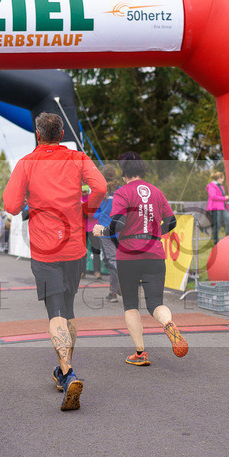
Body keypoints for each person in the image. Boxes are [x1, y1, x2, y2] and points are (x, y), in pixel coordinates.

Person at [3, 112, 106, 411]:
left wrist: (32, 201)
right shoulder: (78, 158)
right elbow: (99, 187)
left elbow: (10, 205)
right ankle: (63, 372)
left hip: (46, 247)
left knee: (56, 311)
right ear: (61, 134)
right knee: (69, 309)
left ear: (38, 134)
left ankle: (69, 371)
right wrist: (87, 208)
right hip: (74, 247)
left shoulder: (26, 163)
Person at [95, 152, 188, 366]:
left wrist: (102, 231)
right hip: (154, 252)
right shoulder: (156, 192)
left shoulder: (122, 192)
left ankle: (140, 353)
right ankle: (168, 324)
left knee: (130, 305)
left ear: (123, 171)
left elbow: (118, 223)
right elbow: (172, 222)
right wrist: (155, 231)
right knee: (155, 303)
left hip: (129, 254)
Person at [93, 163, 121, 303]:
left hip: (105, 231)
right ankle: (113, 292)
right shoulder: (121, 190)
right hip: (119, 229)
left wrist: (99, 215)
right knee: (114, 260)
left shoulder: (102, 192)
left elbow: (95, 213)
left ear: (102, 176)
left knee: (110, 261)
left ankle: (122, 281)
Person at [82, 186, 103, 279]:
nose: (84, 193)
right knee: (82, 251)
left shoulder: (93, 199)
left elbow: (99, 212)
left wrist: (91, 214)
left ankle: (97, 271)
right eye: (82, 191)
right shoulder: (77, 198)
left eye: (86, 191)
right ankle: (81, 272)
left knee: (96, 250)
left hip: (93, 228)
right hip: (82, 228)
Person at [206, 171, 229, 244]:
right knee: (217, 225)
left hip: (222, 208)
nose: (223, 180)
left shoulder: (222, 187)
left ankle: (227, 239)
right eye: (223, 178)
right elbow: (213, 196)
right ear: (219, 178)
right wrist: (224, 198)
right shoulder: (211, 186)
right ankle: (216, 242)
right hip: (215, 208)